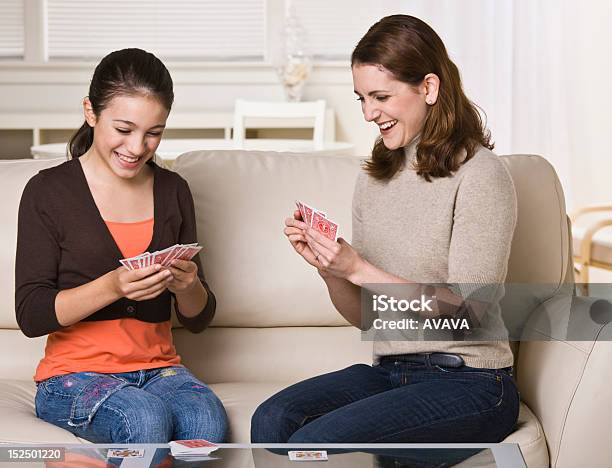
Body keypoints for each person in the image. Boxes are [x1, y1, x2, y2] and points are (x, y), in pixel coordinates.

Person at [251, 15, 520, 443]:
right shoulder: (374, 178)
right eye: (361, 98)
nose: (368, 113)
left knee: (313, 442)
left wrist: (358, 268)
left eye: (380, 96)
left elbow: (468, 315)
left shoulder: (481, 174)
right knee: (273, 418)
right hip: (393, 372)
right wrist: (331, 268)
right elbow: (367, 318)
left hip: (470, 383)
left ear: (428, 88)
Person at [15, 48, 228, 444]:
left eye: (154, 133)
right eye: (124, 129)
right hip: (72, 377)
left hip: (160, 370)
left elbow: (199, 318)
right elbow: (30, 314)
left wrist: (188, 287)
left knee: (207, 420)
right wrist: (113, 286)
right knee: (143, 417)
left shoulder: (173, 190)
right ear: (90, 112)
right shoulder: (48, 192)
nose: (137, 147)